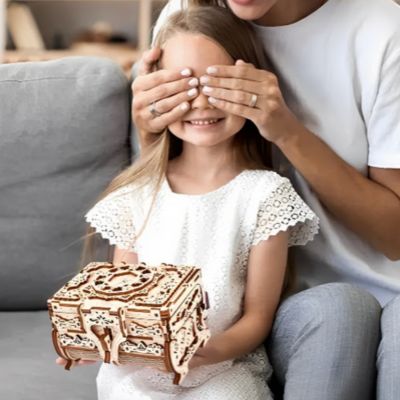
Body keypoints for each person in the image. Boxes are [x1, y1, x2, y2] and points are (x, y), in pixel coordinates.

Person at [131, 0, 400, 399]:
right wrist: (149, 132)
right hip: (260, 308)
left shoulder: (382, 30)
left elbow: (394, 237)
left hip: (382, 290)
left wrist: (288, 131)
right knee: (338, 312)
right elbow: (168, 186)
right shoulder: (186, 14)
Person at [56, 6, 319, 400]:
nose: (201, 103)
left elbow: (257, 317)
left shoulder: (265, 195)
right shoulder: (137, 194)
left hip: (221, 368)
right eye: (182, 87)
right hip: (139, 372)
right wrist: (92, 339)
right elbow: (122, 300)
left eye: (217, 84)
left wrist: (201, 353)